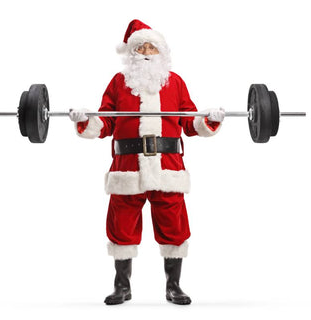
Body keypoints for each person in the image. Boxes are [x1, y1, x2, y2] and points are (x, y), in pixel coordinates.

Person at [69, 19, 225, 305]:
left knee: (174, 226)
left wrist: (208, 119)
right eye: (140, 47)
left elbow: (190, 122)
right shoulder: (119, 82)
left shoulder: (175, 82)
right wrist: (86, 120)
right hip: (127, 167)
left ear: (162, 53)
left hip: (167, 166)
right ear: (131, 53)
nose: (146, 51)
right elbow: (104, 122)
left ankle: (173, 285)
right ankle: (122, 286)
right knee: (122, 226)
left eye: (152, 47)